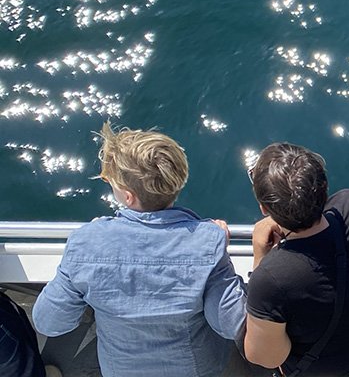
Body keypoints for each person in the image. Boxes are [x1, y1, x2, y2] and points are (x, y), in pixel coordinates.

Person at [32, 122, 246, 377]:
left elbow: (49, 322)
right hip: (197, 368)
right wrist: (218, 251)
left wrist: (90, 246)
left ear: (128, 195)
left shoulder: (86, 243)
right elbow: (230, 324)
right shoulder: (208, 242)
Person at [242, 142, 349, 377]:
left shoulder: (271, 278)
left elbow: (266, 357)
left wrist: (261, 257)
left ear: (264, 209)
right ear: (324, 187)